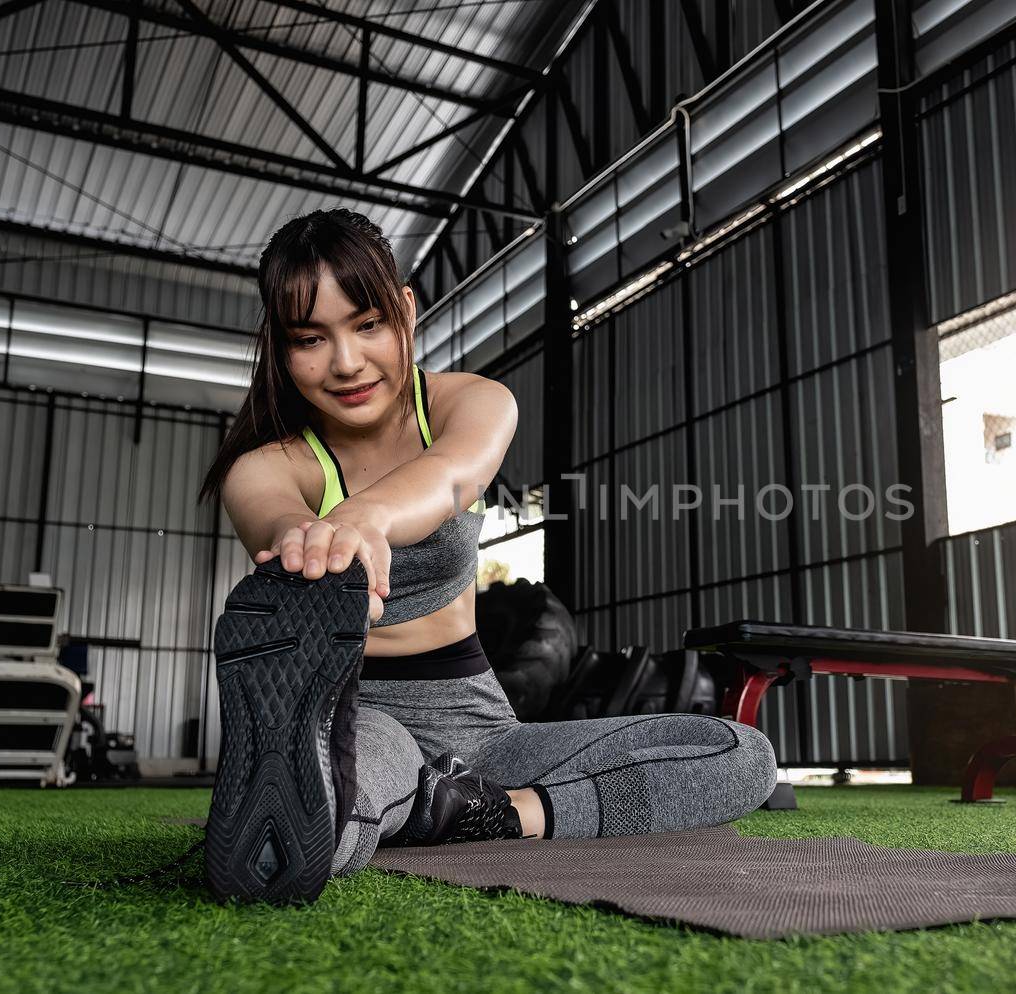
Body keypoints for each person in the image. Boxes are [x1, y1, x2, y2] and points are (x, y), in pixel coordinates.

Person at [196, 208, 779, 903]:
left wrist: (363, 517)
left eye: (368, 324)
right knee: (322, 826)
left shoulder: (470, 402)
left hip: (481, 726)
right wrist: (308, 537)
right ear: (281, 348)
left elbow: (450, 474)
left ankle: (489, 814)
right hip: (355, 715)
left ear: (405, 310)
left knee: (741, 757)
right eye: (310, 338)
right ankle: (337, 797)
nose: (346, 361)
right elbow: (277, 520)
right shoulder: (268, 465)